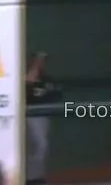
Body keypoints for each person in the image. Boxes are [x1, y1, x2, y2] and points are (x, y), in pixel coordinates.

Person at [27, 52, 61, 185]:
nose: (41, 64)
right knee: (36, 146)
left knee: (42, 147)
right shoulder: (25, 78)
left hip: (44, 116)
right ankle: (32, 179)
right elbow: (27, 85)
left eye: (43, 61)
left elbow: (57, 94)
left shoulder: (47, 80)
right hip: (29, 116)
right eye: (38, 60)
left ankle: (36, 177)